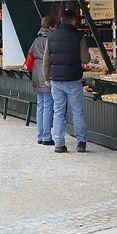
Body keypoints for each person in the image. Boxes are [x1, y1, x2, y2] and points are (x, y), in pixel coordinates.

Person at [43, 9, 90, 153]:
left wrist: (46, 78)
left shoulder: (51, 36)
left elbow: (46, 60)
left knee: (58, 112)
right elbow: (85, 59)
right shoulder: (79, 36)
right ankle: (81, 142)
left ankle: (59, 144)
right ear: (74, 21)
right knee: (77, 112)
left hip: (56, 79)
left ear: (61, 20)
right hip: (73, 79)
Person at [30, 16, 58, 145]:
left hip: (36, 71)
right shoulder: (51, 39)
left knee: (40, 105)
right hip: (46, 71)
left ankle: (40, 135)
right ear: (51, 26)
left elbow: (30, 54)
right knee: (48, 105)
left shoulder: (36, 39)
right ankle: (46, 136)